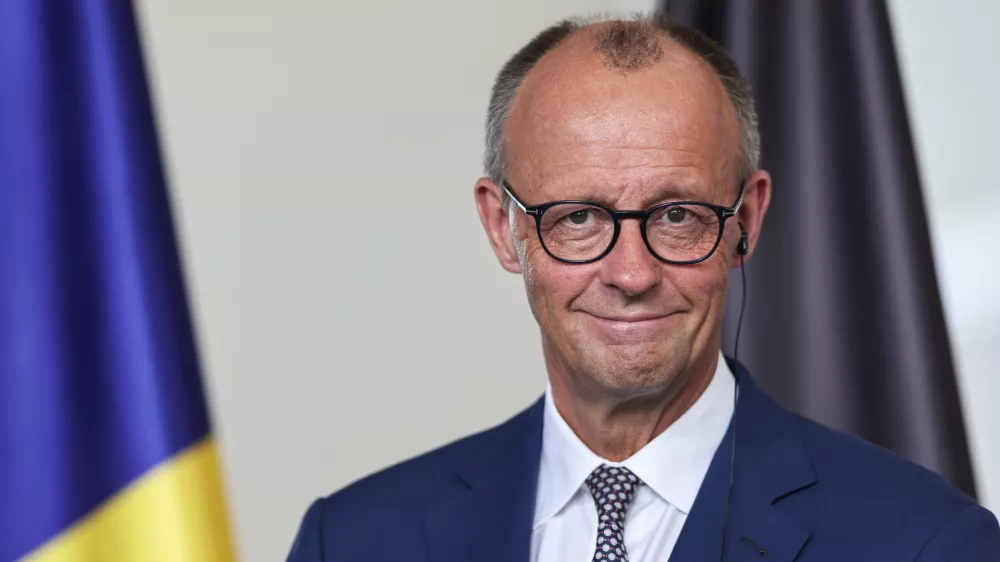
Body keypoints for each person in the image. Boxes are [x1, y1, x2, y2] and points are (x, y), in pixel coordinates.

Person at [286, 14, 1000, 561]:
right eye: (578, 217)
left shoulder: (925, 544)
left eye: (679, 215)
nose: (631, 274)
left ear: (746, 220)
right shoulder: (349, 542)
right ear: (503, 228)